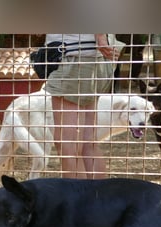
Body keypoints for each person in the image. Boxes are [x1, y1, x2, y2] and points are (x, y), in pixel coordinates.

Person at [45, 34, 120, 179]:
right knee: (87, 142)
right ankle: (98, 197)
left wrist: (101, 39)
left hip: (75, 58)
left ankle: (76, 198)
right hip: (95, 59)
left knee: (67, 141)